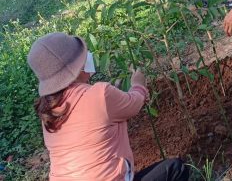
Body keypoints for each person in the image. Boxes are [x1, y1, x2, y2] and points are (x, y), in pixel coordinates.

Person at [27, 32, 189, 181]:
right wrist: (138, 84)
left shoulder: (49, 111)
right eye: (84, 57)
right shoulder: (101, 94)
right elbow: (136, 102)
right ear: (77, 68)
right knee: (176, 168)